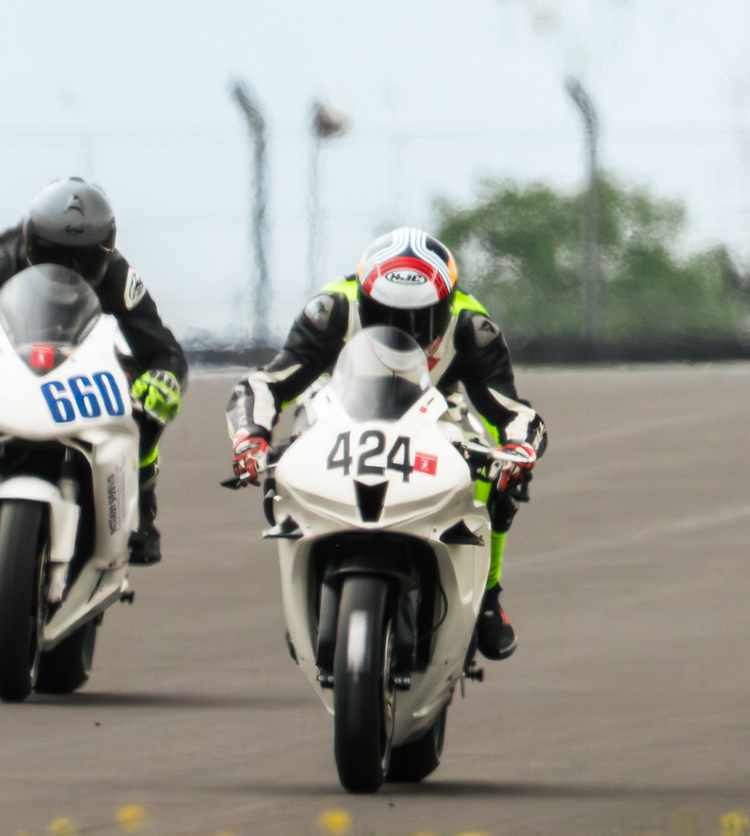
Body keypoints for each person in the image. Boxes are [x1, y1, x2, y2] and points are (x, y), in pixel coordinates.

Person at [230, 226, 546, 661]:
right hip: (341, 405)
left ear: (447, 306)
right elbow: (267, 383)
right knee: (282, 463)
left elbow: (510, 409)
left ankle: (487, 594)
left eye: (421, 318)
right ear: (363, 302)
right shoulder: (331, 311)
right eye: (385, 315)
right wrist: (251, 437)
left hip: (435, 412)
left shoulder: (473, 328)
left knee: (502, 479)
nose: (405, 331)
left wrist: (517, 450)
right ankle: (304, 585)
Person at [0, 178, 190, 565]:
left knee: (149, 402)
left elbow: (163, 350)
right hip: (10, 355)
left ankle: (142, 505)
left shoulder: (119, 276)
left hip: (84, 362)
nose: (68, 269)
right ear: (31, 241)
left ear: (105, 251)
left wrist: (165, 378)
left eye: (83, 260)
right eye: (52, 256)